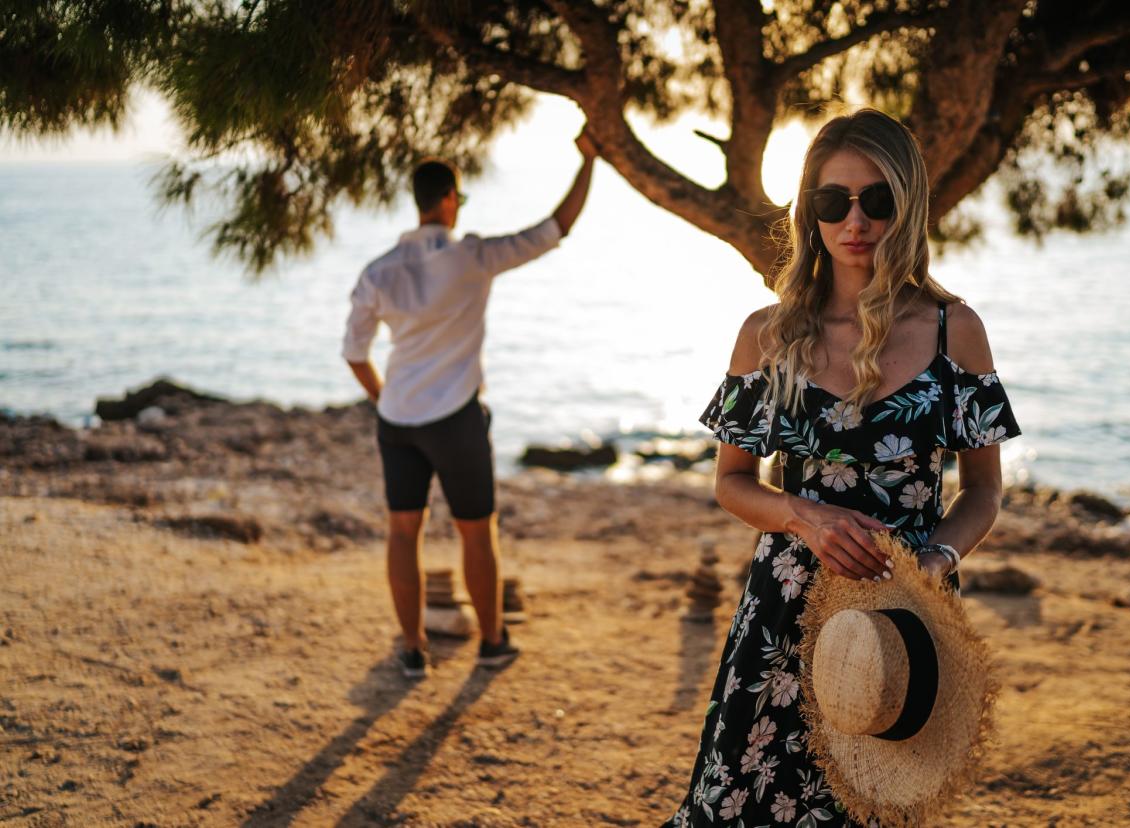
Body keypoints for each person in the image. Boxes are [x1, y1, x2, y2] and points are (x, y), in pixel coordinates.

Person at [665, 109, 1021, 825]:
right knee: (742, 804)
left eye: (877, 200)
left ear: (908, 203)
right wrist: (805, 514)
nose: (854, 220)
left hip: (904, 612)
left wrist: (937, 559)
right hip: (785, 610)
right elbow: (730, 483)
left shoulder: (957, 331)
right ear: (809, 214)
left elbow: (984, 490)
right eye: (833, 202)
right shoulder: (768, 334)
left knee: (868, 807)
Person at [342, 129, 600, 679]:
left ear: (419, 201)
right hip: (455, 419)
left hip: (397, 421)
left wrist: (385, 398)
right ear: (450, 199)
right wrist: (588, 162)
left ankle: (412, 648)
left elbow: (354, 353)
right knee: (476, 530)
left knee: (402, 532)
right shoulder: (473, 257)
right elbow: (556, 227)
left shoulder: (378, 272)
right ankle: (491, 642)